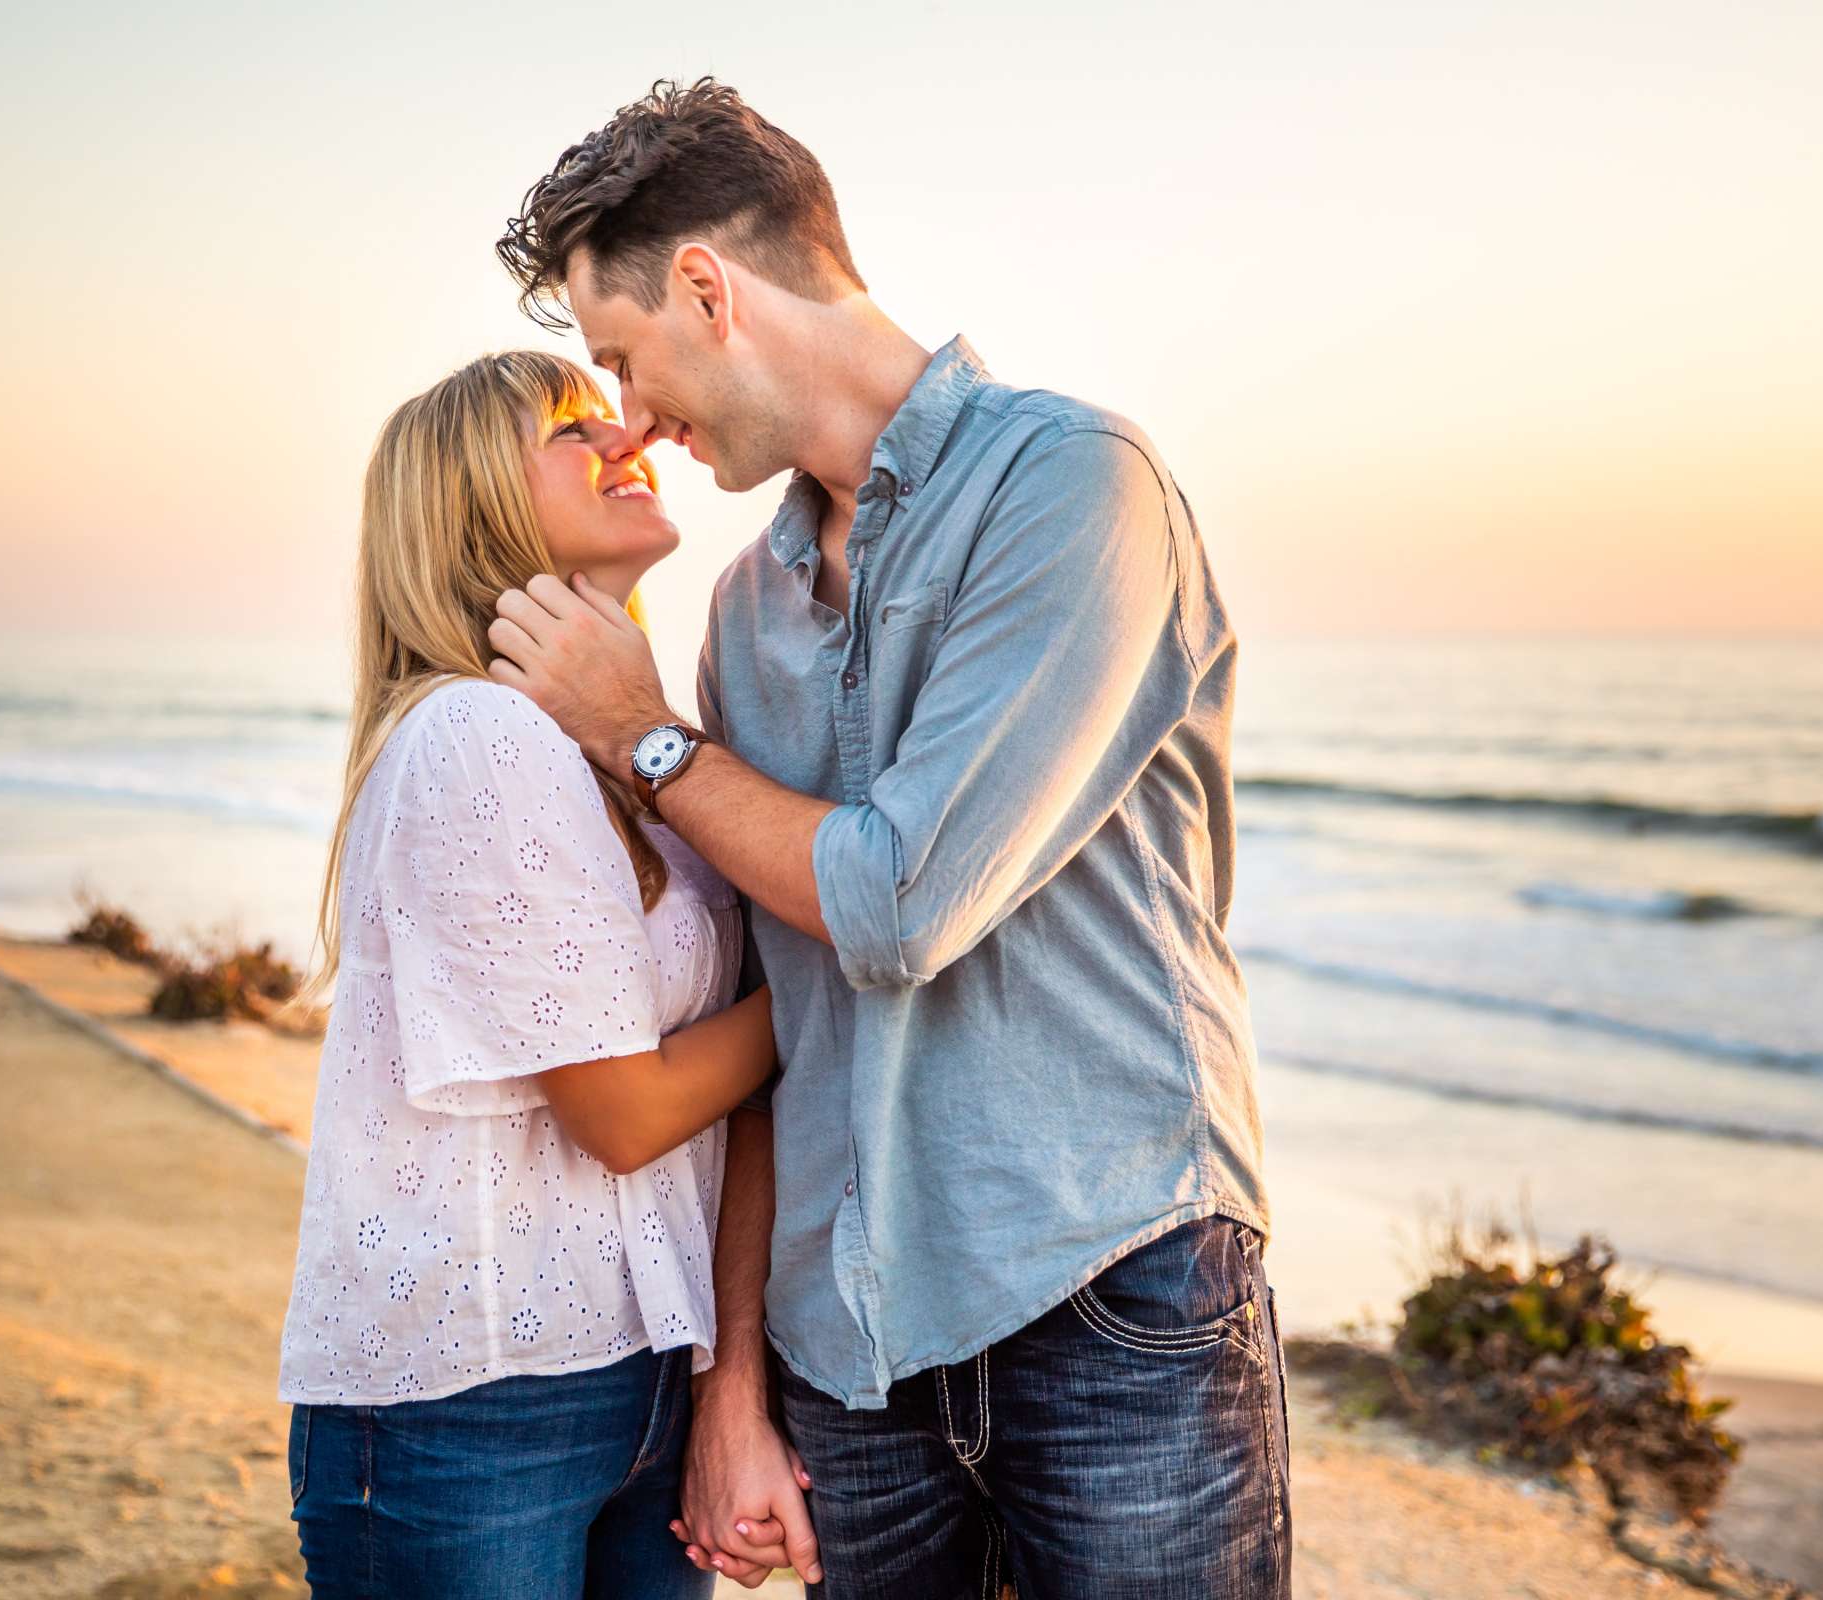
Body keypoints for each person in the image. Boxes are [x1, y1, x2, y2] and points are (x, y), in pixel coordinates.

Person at [488, 79, 1290, 1598]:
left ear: (710, 290)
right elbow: (773, 1026)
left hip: (1111, 1291)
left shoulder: (1069, 486)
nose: (632, 419)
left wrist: (642, 738)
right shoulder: (744, 614)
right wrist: (736, 1385)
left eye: (625, 359)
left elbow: (897, 901)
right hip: (843, 1355)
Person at [274, 349, 782, 1598]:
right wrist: (854, 979)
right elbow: (624, 1113)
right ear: (473, 506)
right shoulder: (476, 734)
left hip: (644, 1371)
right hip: (474, 1404)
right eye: (567, 426)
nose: (624, 437)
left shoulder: (637, 750)